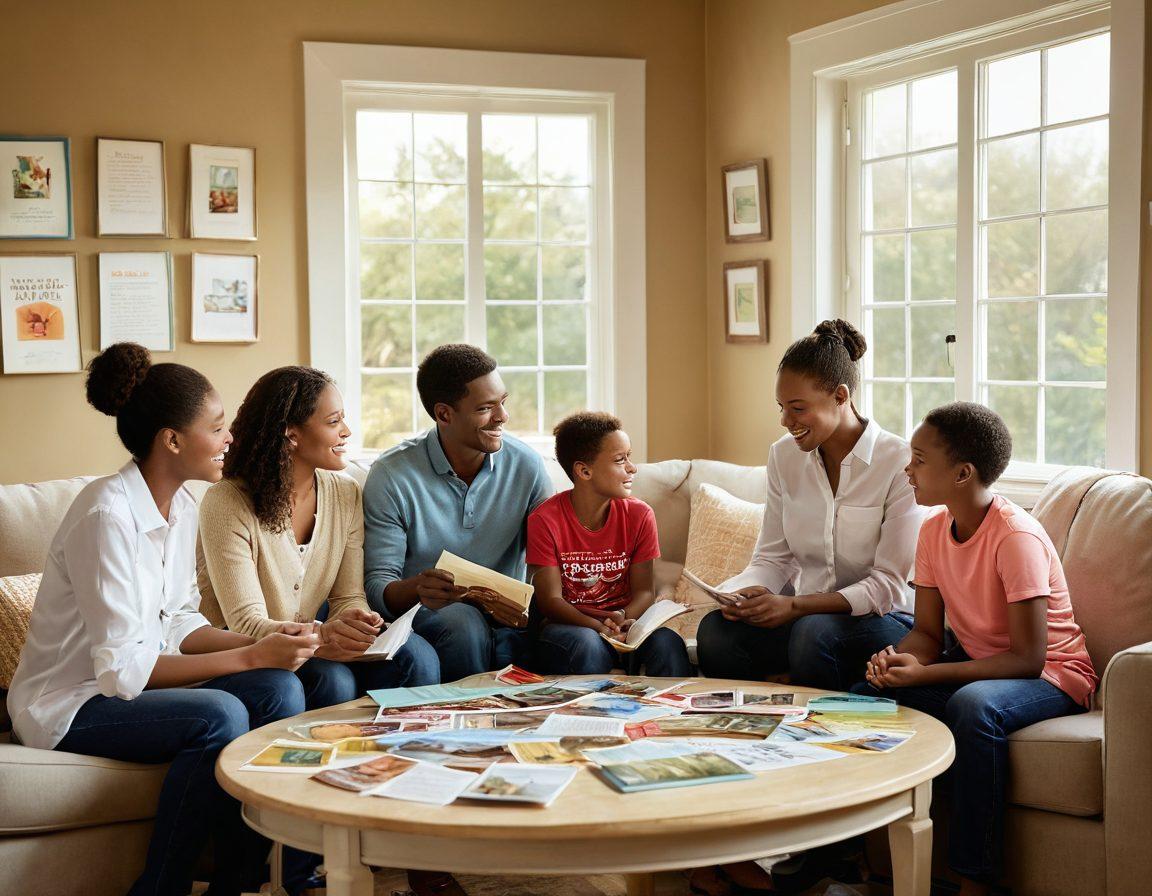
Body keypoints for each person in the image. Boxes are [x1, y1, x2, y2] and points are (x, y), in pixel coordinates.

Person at [7, 343, 319, 896]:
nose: (230, 438)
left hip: (120, 690)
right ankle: (160, 889)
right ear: (172, 440)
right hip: (67, 705)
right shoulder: (106, 516)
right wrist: (250, 654)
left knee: (279, 689)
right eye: (216, 427)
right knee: (220, 713)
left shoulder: (182, 507)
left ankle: (236, 883)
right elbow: (122, 672)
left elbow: (178, 622)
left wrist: (270, 643)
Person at [858, 402, 1097, 896]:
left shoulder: (1015, 537)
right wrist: (899, 660)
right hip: (983, 665)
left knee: (973, 706)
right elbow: (927, 634)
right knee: (863, 700)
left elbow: (1028, 659)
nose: (907, 469)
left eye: (919, 459)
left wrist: (926, 676)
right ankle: (857, 861)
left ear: (962, 473)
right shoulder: (932, 530)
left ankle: (975, 881)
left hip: (1054, 676)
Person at [695, 319, 924, 692]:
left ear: (840, 396)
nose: (786, 421)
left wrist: (796, 607)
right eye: (781, 407)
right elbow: (772, 558)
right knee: (716, 632)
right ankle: (766, 710)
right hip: (804, 622)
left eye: (798, 409)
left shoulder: (898, 462)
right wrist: (738, 593)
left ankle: (812, 711)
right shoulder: (784, 456)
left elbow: (888, 586)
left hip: (885, 619)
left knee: (813, 632)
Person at [197, 365, 440, 711]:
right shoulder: (227, 501)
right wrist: (323, 637)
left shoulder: (345, 493)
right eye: (333, 422)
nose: (346, 431)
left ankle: (404, 744)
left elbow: (348, 596)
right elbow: (246, 624)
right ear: (292, 435)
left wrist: (358, 621)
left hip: (310, 638)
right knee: (333, 680)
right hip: (245, 649)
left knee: (418, 657)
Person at [363, 344, 553, 682]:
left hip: (509, 616)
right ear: (444, 414)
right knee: (463, 621)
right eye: (485, 408)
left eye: (503, 402)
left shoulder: (527, 466)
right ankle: (470, 713)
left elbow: (550, 563)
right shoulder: (392, 475)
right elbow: (379, 587)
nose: (502, 416)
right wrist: (418, 588)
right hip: (432, 615)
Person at [528, 412, 691, 676]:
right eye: (620, 460)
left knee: (667, 643)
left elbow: (644, 592)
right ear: (584, 471)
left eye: (629, 457)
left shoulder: (640, 515)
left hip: (624, 622)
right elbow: (551, 601)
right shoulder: (545, 520)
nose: (632, 468)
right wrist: (599, 627)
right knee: (588, 644)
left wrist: (622, 618)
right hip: (571, 628)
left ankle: (674, 704)